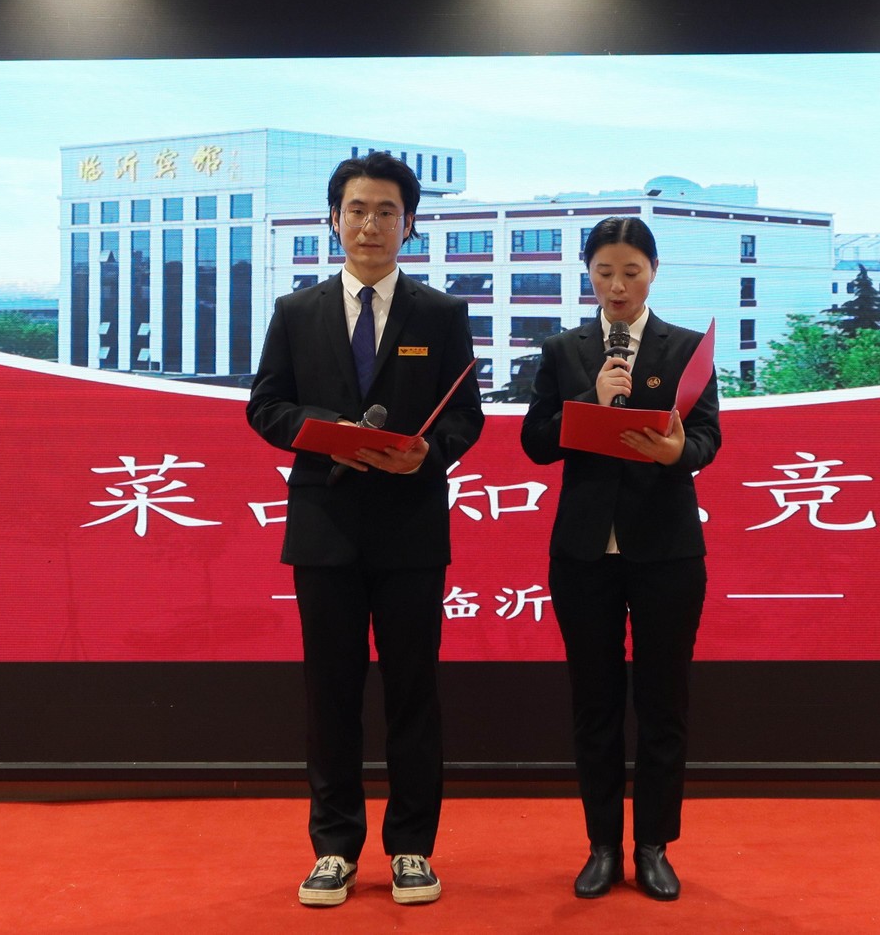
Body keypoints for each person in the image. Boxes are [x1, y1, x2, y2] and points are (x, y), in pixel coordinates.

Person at [246, 151, 484, 908]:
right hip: (326, 527)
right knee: (331, 693)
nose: (370, 224)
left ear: (409, 224)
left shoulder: (440, 315)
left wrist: (428, 452)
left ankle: (412, 846)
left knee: (413, 691)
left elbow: (466, 416)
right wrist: (327, 433)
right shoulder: (297, 312)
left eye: (386, 211)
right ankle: (334, 847)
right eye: (356, 209)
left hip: (411, 529)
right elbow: (265, 407)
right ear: (334, 219)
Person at [519, 216, 723, 903]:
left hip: (666, 549)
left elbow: (707, 437)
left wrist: (677, 450)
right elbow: (536, 441)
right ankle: (602, 845)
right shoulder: (564, 349)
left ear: (653, 272)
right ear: (589, 274)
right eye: (604, 272)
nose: (617, 286)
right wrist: (591, 402)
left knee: (664, 701)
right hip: (584, 553)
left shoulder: (687, 347)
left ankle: (654, 844)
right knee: (595, 701)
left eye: (630, 272)